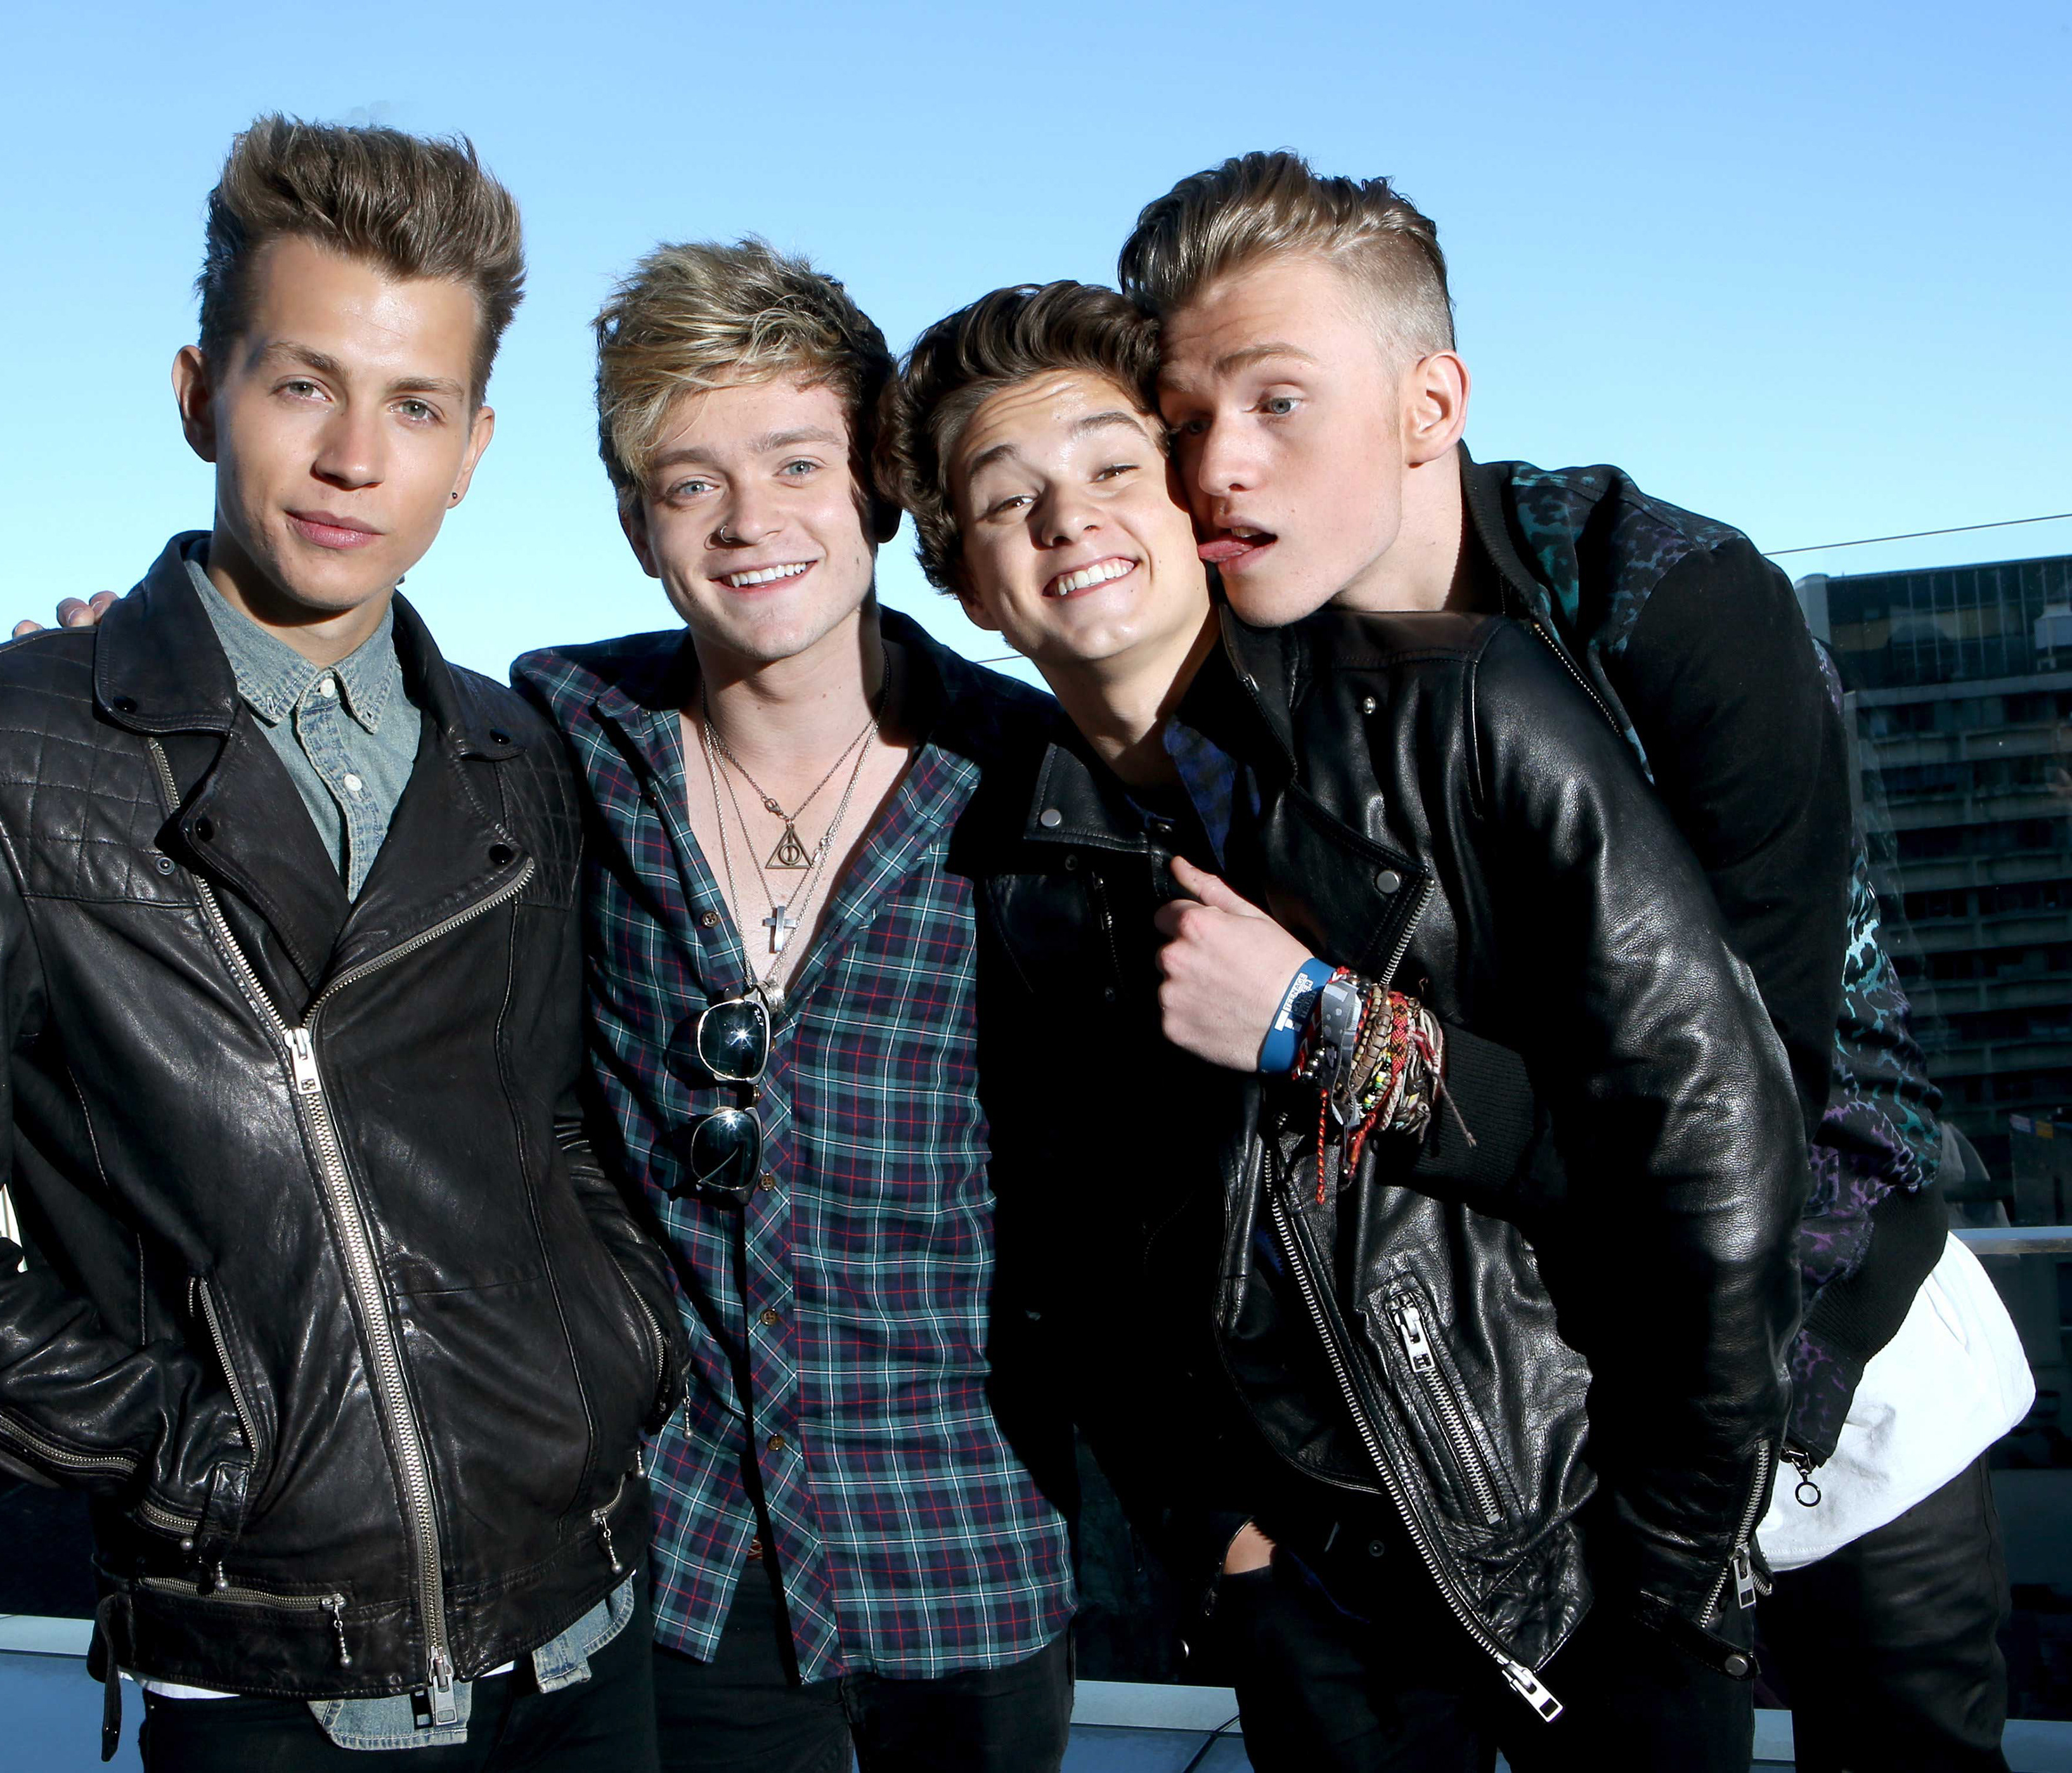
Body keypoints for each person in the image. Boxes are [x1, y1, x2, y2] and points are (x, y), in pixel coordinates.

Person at [0, 116, 680, 1772]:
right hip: (267, 1673)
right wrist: (199, 1445)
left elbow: (555, 1127)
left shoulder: (520, 757)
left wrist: (615, 1349)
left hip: (594, 1636)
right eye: (298, 384)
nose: (353, 457)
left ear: (473, 447)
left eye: (413, 406)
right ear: (200, 391)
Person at [1120, 151, 2014, 1773]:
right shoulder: (1275, 694)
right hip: (1560, 1384)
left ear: (1427, 401)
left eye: (1277, 402)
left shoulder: (1666, 600)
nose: (1215, 468)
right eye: (1181, 420)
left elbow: (1750, 1106)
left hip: (1833, 1336)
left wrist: (1335, 1033)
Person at [886, 277, 1808, 1770]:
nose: (1072, 520)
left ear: (1189, 505)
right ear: (973, 583)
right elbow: (1080, 1261)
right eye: (1011, 500)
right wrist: (1224, 1550)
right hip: (1308, 1601)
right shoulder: (1020, 874)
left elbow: (1719, 1148)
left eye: (1117, 469)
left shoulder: (1467, 710)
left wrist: (1675, 1565)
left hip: (1590, 1538)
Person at [508, 240, 1077, 1773]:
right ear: (639, 528)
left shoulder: (1029, 775)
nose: (751, 520)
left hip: (964, 1535)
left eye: (797, 463)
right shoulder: (561, 732)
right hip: (675, 1553)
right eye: (692, 483)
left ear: (878, 492)